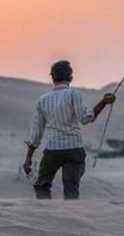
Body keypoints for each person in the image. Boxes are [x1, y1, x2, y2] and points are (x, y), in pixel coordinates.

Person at [23, 60, 116, 200]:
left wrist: (29, 158)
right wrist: (103, 102)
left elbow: (36, 132)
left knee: (42, 186)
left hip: (52, 150)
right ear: (71, 77)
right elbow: (85, 118)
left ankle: (45, 216)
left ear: (52, 78)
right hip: (74, 149)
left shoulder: (42, 100)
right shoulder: (74, 95)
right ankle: (70, 219)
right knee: (71, 189)